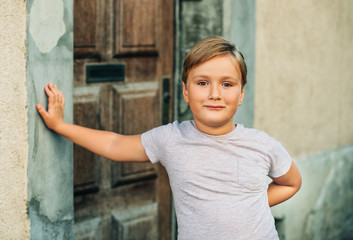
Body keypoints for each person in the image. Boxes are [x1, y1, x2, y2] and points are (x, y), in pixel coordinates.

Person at [36, 36, 301, 240]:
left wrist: (249, 203)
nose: (215, 94)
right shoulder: (171, 139)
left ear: (241, 94)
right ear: (185, 92)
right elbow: (115, 144)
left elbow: (291, 183)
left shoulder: (263, 145)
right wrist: (60, 126)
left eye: (227, 84)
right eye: (202, 83)